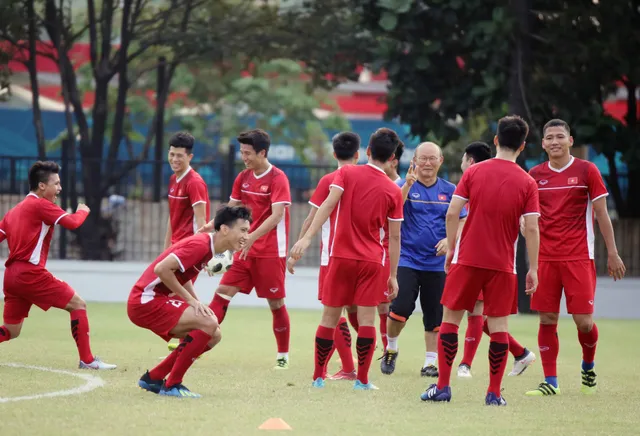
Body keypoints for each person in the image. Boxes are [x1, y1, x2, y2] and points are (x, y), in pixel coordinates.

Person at [420, 115, 540, 406]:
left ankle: (443, 388)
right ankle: (494, 394)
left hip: (468, 258)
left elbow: (452, 213)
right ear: (522, 146)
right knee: (499, 327)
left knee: (450, 320)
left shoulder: (473, 172)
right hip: (503, 265)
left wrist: (450, 249)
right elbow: (533, 228)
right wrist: (533, 268)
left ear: (496, 140)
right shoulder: (527, 181)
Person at [289, 127, 404, 391]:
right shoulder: (393, 191)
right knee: (366, 321)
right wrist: (393, 275)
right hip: (372, 262)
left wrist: (306, 239)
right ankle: (362, 381)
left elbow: (328, 205)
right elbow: (395, 237)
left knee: (329, 318)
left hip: (340, 257)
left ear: (367, 151)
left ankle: (318, 378)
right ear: (392, 158)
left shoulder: (346, 172)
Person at [525, 119, 626, 396]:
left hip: (579, 256)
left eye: (560, 136)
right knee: (546, 318)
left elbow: (603, 213)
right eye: (549, 138)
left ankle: (588, 366)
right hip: (545, 258)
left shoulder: (587, 170)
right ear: (543, 143)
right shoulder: (534, 175)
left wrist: (613, 253)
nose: (554, 142)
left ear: (570, 140)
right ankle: (551, 381)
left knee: (584, 322)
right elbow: (527, 215)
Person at [0, 161, 116, 370]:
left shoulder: (13, 212)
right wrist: (83, 210)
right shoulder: (40, 204)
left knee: (11, 330)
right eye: (56, 183)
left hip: (10, 276)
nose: (59, 188)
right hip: (29, 273)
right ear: (42, 186)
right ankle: (87, 361)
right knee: (78, 304)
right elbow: (73, 223)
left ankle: (87, 360)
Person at [131, 205, 252, 398]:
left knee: (214, 334)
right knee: (209, 323)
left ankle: (154, 377)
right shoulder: (200, 245)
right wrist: (190, 301)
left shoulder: (208, 247)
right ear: (225, 229)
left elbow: (182, 275)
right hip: (145, 302)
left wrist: (197, 302)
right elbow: (161, 269)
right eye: (243, 230)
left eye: (248, 231)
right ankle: (172, 385)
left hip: (154, 300)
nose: (247, 236)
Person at [206, 129, 292, 369]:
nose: (244, 157)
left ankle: (282, 356)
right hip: (244, 250)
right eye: (242, 152)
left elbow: (277, 216)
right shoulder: (242, 177)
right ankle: (200, 342)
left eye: (248, 153)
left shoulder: (278, 178)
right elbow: (229, 210)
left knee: (276, 303)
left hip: (271, 251)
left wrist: (252, 237)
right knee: (222, 292)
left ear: (262, 152)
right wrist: (211, 228)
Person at [380, 142, 467, 378]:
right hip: (407, 259)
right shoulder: (403, 184)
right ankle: (391, 348)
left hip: (437, 264)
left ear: (440, 161)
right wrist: (407, 187)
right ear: (414, 161)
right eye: (423, 159)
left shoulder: (450, 190)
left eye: (432, 159)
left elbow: (462, 219)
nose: (427, 163)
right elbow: (390, 208)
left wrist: (451, 240)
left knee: (434, 316)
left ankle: (430, 363)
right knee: (399, 310)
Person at [456, 141, 536, 378]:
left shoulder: (477, 178)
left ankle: (465, 365)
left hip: (482, 257)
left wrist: (453, 244)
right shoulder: (478, 180)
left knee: (475, 313)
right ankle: (521, 353)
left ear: (469, 161)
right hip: (483, 256)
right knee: (483, 318)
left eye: (463, 158)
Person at [289, 132, 361, 381]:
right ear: (358, 154)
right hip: (364, 256)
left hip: (333, 256)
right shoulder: (369, 179)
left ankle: (348, 368)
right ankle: (358, 363)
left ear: (333, 154)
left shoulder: (330, 179)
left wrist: (299, 246)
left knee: (334, 313)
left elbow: (312, 218)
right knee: (353, 310)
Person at [164, 132, 210, 249]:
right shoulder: (173, 179)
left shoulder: (194, 182)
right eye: (172, 154)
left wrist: (200, 253)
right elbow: (173, 216)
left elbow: (201, 220)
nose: (174, 159)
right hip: (175, 246)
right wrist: (165, 249)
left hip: (189, 247)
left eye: (179, 156)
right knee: (158, 268)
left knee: (157, 269)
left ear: (189, 157)